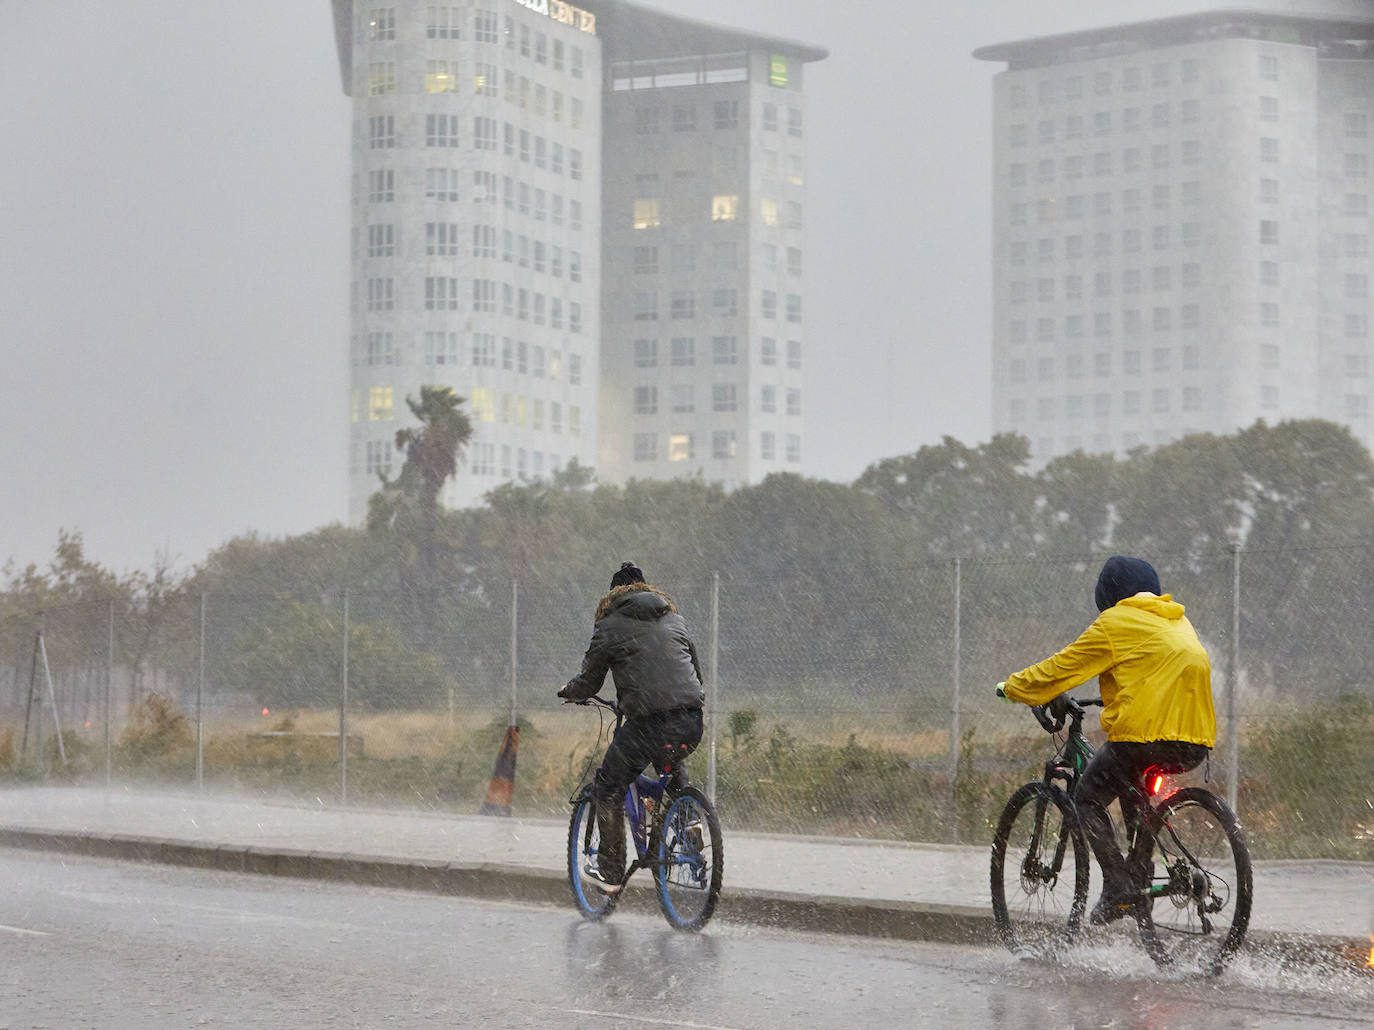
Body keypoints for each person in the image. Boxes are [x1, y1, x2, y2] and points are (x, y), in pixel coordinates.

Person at [995, 555, 1217, 925]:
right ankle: (1139, 878)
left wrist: (1012, 688)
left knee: (1086, 799)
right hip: (1194, 742)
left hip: (1144, 737)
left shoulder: (1116, 621)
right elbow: (1151, 674)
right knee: (1135, 790)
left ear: (1109, 594)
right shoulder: (1177, 620)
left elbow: (1061, 668)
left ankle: (1118, 889)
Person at [558, 562, 705, 892]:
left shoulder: (610, 624)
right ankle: (690, 820)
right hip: (691, 720)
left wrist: (571, 692)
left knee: (608, 787)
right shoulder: (674, 619)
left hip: (648, 723)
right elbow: (695, 673)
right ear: (646, 589)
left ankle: (611, 872)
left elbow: (590, 680)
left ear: (613, 595)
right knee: (669, 763)